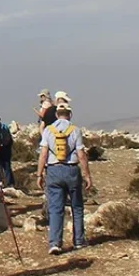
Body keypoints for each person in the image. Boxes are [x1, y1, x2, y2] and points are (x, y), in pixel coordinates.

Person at [38, 104, 92, 253]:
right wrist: (87, 175)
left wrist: (39, 174)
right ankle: (79, 240)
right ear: (70, 114)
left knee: (55, 208)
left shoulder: (48, 130)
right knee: (77, 206)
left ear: (56, 115)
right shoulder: (75, 130)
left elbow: (43, 154)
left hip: (54, 170)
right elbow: (81, 154)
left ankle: (55, 242)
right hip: (72, 170)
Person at [0, 122, 15, 188]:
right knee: (7, 166)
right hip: (7, 147)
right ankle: (10, 183)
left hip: (0, 148)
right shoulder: (4, 126)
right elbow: (10, 140)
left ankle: (0, 182)